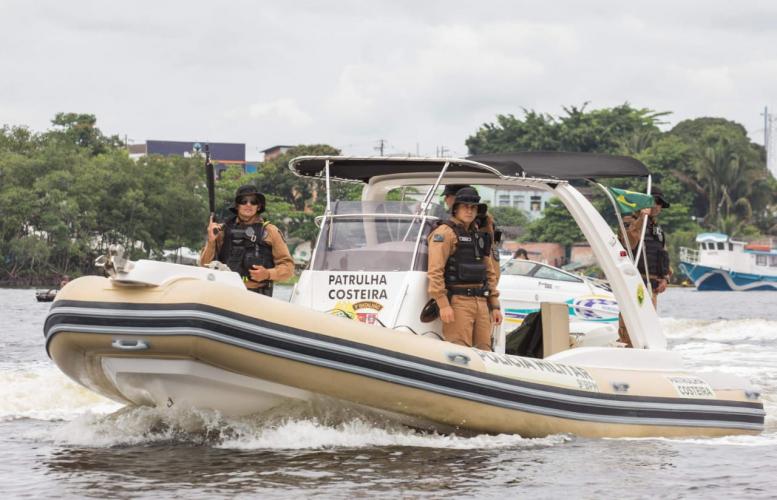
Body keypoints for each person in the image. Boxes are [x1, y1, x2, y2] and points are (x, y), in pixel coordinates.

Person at [427, 187, 502, 350]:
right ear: (456, 209)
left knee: (485, 350)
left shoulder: (478, 235)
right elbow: (435, 271)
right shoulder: (445, 233)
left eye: (473, 207)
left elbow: (488, 271)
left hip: (481, 302)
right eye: (465, 207)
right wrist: (443, 304)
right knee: (458, 352)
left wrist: (494, 305)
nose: (469, 211)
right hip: (458, 301)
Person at [200, 184, 294, 296]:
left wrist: (268, 274)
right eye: (243, 201)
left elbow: (288, 268)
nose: (248, 204)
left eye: (253, 201)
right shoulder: (221, 230)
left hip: (256, 296)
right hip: (225, 292)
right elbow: (204, 265)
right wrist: (211, 241)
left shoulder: (270, 231)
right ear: (237, 206)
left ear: (258, 206)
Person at [617, 185, 672, 346]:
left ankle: (644, 350)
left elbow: (663, 255)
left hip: (652, 286)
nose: (659, 206)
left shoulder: (657, 229)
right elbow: (629, 243)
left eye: (661, 203)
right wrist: (641, 218)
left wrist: (666, 278)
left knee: (648, 324)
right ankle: (626, 347)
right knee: (630, 322)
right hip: (635, 282)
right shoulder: (629, 222)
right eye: (656, 202)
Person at [441, 184, 502, 281]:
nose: (445, 200)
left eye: (447, 196)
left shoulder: (482, 220)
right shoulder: (447, 224)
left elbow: (489, 252)